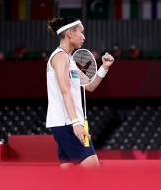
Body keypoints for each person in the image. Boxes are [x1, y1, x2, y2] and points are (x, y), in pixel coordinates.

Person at [46, 16, 115, 168]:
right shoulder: (60, 57)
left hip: (66, 122)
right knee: (92, 168)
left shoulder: (69, 60)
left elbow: (90, 86)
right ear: (70, 33)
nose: (84, 36)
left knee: (69, 173)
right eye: (81, 32)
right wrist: (76, 123)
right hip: (67, 123)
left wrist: (104, 67)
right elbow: (65, 91)